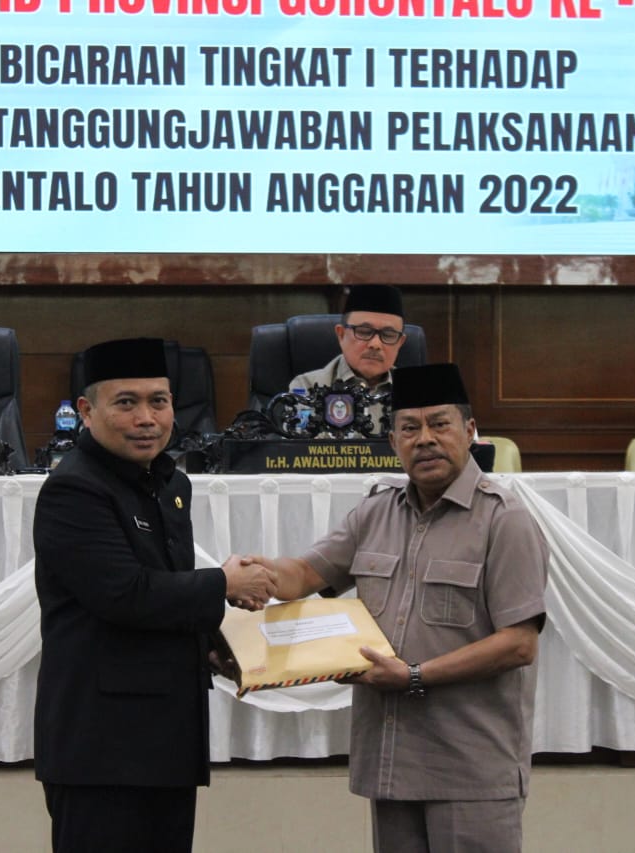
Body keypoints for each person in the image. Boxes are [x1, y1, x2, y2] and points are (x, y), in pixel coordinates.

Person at [244, 363, 548, 852]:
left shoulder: (505, 520)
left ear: (470, 431)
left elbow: (519, 644)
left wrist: (414, 676)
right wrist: (252, 573)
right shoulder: (375, 511)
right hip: (392, 762)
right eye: (409, 428)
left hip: (469, 767)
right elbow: (303, 575)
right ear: (392, 441)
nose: (425, 439)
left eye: (440, 424)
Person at [32, 337, 277, 853]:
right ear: (86, 411)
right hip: (101, 746)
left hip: (168, 738)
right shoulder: (73, 489)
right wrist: (225, 583)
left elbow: (166, 591)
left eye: (158, 401)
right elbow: (125, 593)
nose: (146, 418)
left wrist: (213, 645)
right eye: (126, 403)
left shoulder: (170, 484)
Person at [288, 284, 408, 433]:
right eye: (364, 332)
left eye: (388, 335)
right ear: (341, 334)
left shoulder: (415, 392)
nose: (375, 344)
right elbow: (299, 444)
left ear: (400, 343)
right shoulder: (307, 387)